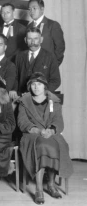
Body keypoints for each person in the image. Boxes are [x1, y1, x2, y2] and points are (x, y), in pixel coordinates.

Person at [17, 72, 73, 204]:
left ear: (45, 87)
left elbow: (58, 121)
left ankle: (51, 184)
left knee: (54, 146)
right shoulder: (24, 102)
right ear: (29, 86)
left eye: (39, 84)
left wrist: (52, 130)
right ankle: (39, 189)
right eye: (33, 84)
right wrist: (36, 130)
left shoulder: (54, 101)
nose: (36, 87)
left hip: (50, 134)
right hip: (32, 135)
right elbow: (22, 122)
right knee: (42, 147)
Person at [15, 27, 61, 95]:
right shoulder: (19, 56)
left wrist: (42, 93)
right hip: (22, 97)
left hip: (41, 99)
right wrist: (14, 90)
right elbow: (15, 77)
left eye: (36, 38)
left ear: (41, 39)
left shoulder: (50, 56)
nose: (33, 42)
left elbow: (56, 80)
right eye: (29, 39)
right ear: (25, 40)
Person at [27, 0, 65, 66]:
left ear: (42, 9)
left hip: (47, 66)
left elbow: (60, 48)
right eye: (29, 9)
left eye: (34, 8)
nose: (31, 11)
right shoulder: (28, 27)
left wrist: (53, 66)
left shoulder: (52, 25)